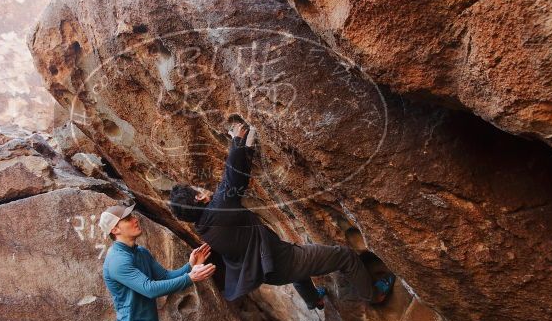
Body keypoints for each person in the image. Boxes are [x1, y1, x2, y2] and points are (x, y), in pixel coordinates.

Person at [168, 119, 394, 310]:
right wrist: (237, 140)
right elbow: (232, 178)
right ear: (199, 198)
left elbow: (235, 182)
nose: (201, 188)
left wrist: (246, 148)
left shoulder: (203, 227)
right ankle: (373, 297)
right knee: (344, 256)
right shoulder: (219, 210)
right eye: (196, 190)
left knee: (297, 266)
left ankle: (314, 300)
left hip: (269, 270)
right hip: (282, 261)